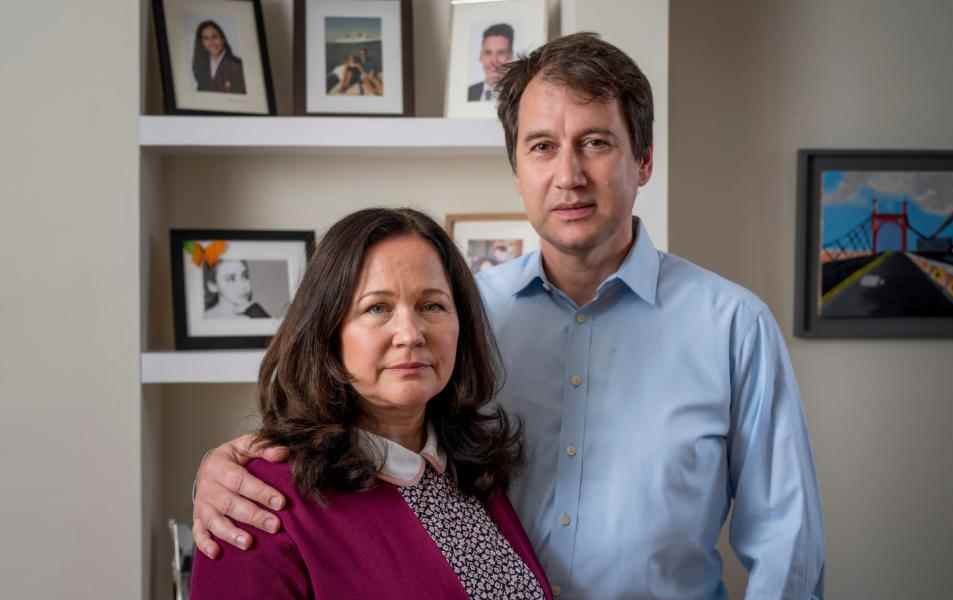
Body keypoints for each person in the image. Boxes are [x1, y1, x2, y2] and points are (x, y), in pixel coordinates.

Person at [193, 33, 826, 599]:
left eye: (597, 143)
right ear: (517, 169)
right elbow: (360, 436)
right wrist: (228, 464)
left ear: (643, 161)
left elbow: (787, 547)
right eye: (543, 146)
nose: (568, 174)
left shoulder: (733, 327)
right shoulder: (463, 316)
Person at [191, 208, 552, 598]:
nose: (410, 334)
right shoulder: (254, 502)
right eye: (377, 308)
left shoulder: (471, 471)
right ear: (328, 330)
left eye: (432, 306)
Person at [192, 20, 246, 94]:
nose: (211, 42)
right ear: (202, 43)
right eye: (206, 38)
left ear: (222, 39)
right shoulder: (202, 67)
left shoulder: (238, 65)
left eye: (214, 37)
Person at [203, 259, 269, 319]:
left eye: (245, 276)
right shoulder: (205, 319)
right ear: (213, 286)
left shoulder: (256, 312)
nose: (243, 285)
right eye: (231, 279)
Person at [467, 23, 514, 102]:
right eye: (488, 53)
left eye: (501, 53)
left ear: (510, 56)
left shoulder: (519, 93)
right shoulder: (469, 92)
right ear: (481, 56)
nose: (493, 61)